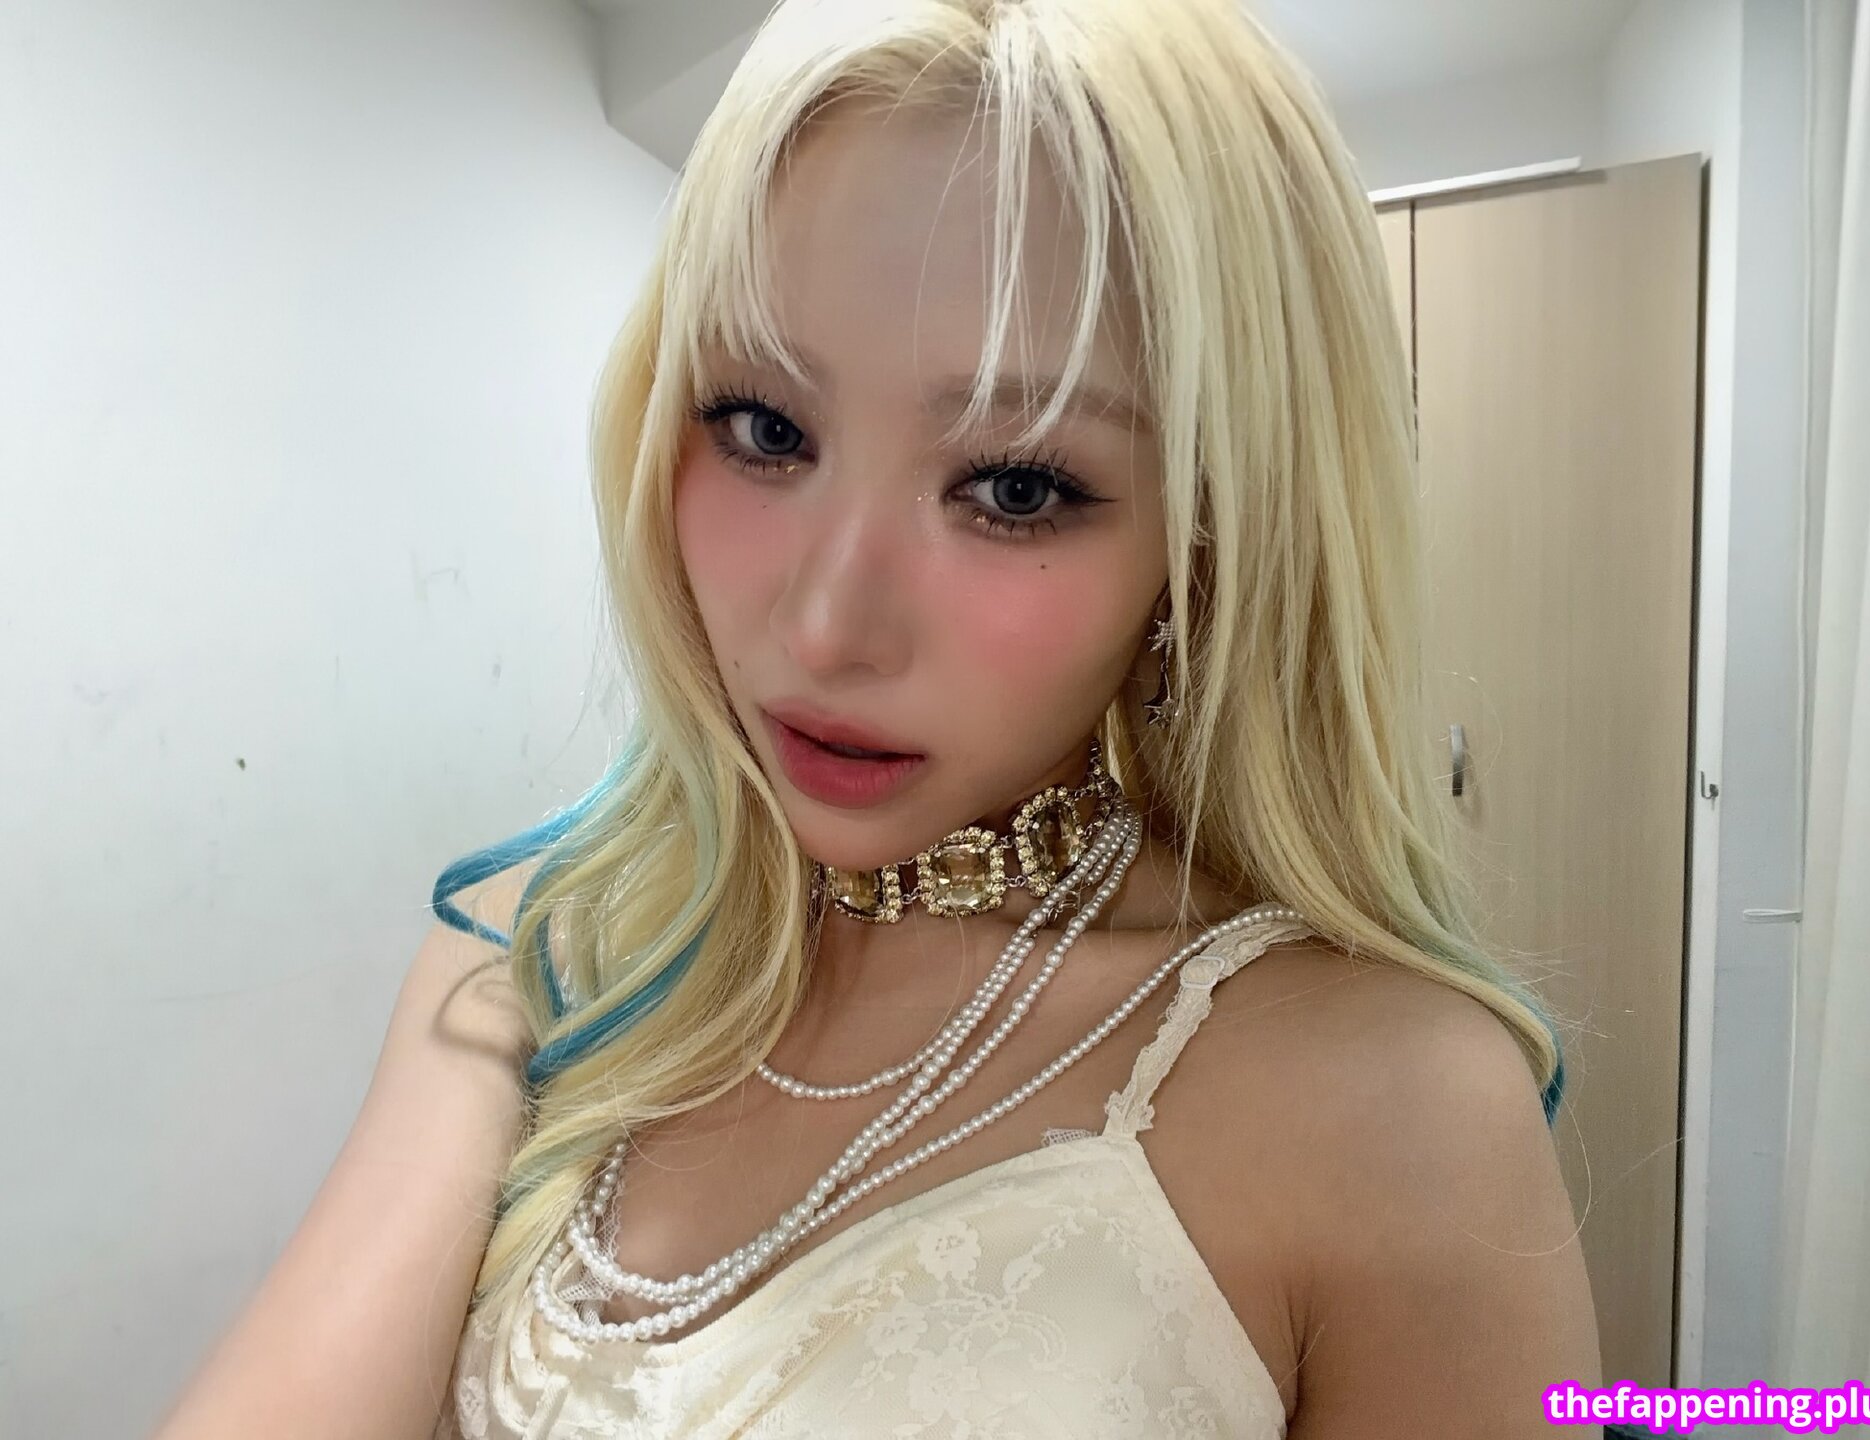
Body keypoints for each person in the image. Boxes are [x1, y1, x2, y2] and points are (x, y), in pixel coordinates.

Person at [154, 0, 1603, 1435]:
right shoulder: (549, 952)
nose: (826, 629)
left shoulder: (1392, 1107)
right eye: (762, 427)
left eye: (1017, 487)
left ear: (1210, 538)